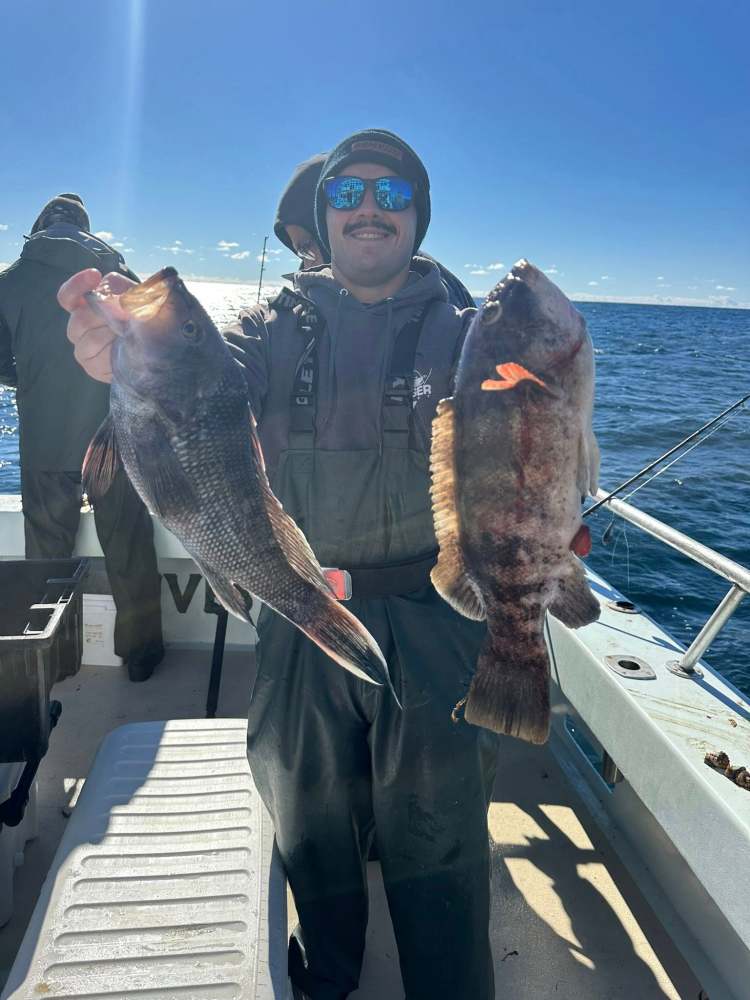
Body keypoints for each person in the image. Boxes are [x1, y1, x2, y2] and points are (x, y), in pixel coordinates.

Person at [59, 130, 499, 999]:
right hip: (300, 601)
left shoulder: (471, 331)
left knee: (442, 830)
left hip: (441, 608)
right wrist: (112, 353)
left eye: (391, 194)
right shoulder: (265, 324)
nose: (367, 209)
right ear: (321, 219)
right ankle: (325, 976)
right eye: (345, 195)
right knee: (307, 815)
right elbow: (209, 377)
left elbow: (522, 434)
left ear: (418, 216)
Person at [0, 193, 164, 682]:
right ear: (86, 229)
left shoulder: (10, 280)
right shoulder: (115, 273)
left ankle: (46, 661)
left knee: (46, 556)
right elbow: (149, 352)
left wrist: (27, 377)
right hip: (113, 441)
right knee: (129, 547)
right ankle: (141, 657)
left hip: (44, 443)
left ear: (38, 227)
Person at [275, 151, 477, 308]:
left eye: (306, 247)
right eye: (300, 252)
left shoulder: (441, 305)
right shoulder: (278, 327)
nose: (305, 265)